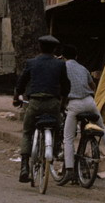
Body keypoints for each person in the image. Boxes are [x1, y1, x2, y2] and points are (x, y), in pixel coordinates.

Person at [58, 44, 105, 185]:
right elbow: (93, 86)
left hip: (74, 104)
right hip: (89, 102)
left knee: (68, 137)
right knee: (102, 127)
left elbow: (61, 89)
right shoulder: (83, 68)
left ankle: (69, 169)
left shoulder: (62, 67)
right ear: (76, 56)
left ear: (63, 57)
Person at [14, 34, 70, 184]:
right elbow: (66, 87)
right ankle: (56, 149)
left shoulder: (31, 63)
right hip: (53, 104)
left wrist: (16, 96)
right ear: (54, 49)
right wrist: (63, 103)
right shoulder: (60, 64)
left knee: (27, 132)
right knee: (58, 128)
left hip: (34, 103)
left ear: (40, 47)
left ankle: (24, 166)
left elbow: (21, 82)